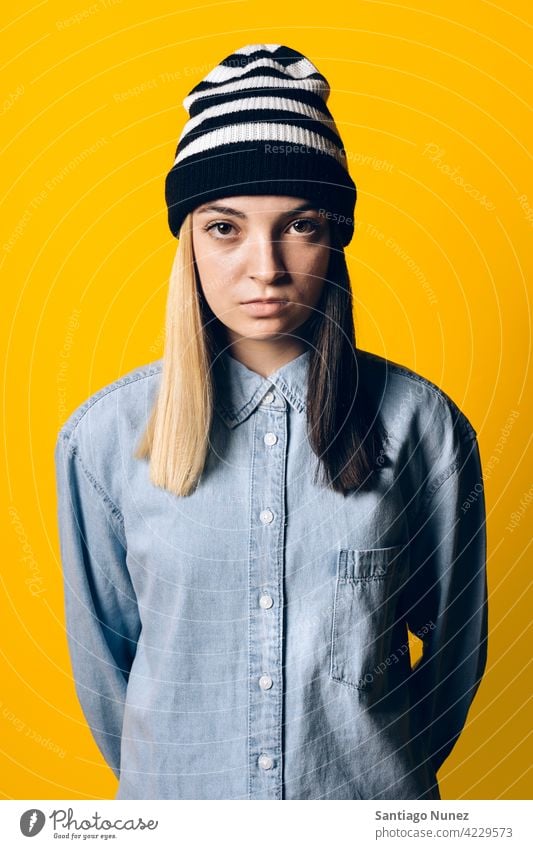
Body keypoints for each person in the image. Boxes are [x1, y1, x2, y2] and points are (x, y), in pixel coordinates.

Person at [53, 43, 488, 801]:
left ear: (336, 236)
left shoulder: (424, 427)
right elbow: (107, 669)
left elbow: (453, 660)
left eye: (300, 225)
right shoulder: (101, 440)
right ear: (188, 240)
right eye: (225, 228)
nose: (265, 266)